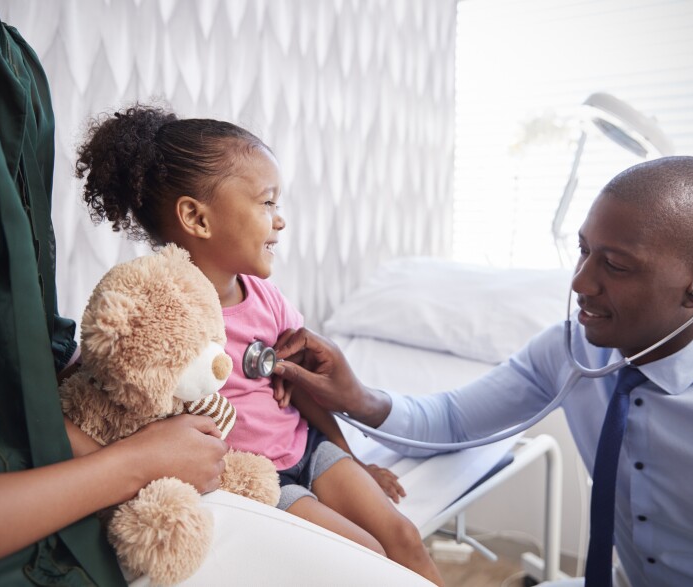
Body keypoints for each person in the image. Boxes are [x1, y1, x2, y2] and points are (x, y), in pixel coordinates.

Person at [271, 156, 693, 587]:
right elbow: (451, 420)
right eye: (584, 251)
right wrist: (356, 396)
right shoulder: (570, 354)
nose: (581, 281)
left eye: (616, 266)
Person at [0, 1, 230, 584]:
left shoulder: (14, 69)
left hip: (64, 516)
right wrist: (130, 465)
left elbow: (27, 339)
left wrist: (131, 433)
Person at [74, 104, 444, 585]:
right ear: (197, 218)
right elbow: (114, 378)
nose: (280, 220)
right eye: (267, 202)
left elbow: (305, 391)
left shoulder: (266, 297)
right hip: (255, 479)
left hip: (308, 449)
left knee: (404, 539)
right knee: (369, 557)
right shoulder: (162, 315)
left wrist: (351, 460)